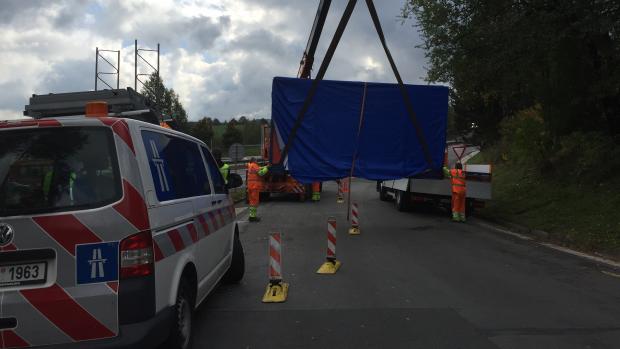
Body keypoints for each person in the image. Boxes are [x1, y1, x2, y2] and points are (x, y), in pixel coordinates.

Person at [247, 157, 269, 222]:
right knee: (254, 202)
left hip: (250, 186)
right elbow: (261, 173)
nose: (257, 162)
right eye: (256, 160)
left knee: (251, 202)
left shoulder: (250, 165)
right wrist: (267, 168)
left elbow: (259, 168)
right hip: (254, 187)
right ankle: (252, 217)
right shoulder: (254, 165)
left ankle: (251, 215)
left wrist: (265, 166)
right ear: (254, 161)